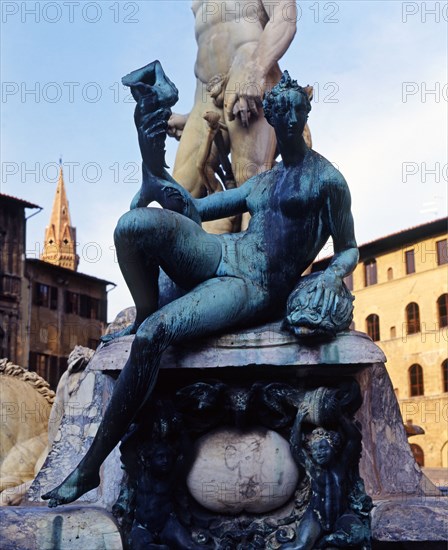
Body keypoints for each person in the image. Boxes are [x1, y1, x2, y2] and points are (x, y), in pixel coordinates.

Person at [42, 62, 358, 507]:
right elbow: (193, 209)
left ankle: (90, 467)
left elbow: (348, 248)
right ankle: (147, 308)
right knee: (132, 226)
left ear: (303, 117)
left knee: (154, 337)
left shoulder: (328, 181)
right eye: (279, 115)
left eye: (293, 115)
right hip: (223, 253)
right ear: (271, 118)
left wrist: (329, 275)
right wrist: (154, 170)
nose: (285, 124)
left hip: (254, 286)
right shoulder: (264, 182)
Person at [169, 0, 307, 233]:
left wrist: (255, 71)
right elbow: (211, 46)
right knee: (178, 197)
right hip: (206, 90)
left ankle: (259, 264)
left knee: (253, 189)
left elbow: (285, 16)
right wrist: (191, 115)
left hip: (250, 67)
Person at [284, 406, 367, 549]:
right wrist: (298, 421)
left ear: (333, 447)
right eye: (315, 450)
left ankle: (327, 540)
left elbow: (355, 438)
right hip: (316, 517)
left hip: (341, 517)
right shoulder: (313, 468)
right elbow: (295, 448)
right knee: (300, 547)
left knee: (358, 534)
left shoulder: (342, 465)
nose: (319, 453)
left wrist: (341, 415)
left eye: (322, 448)